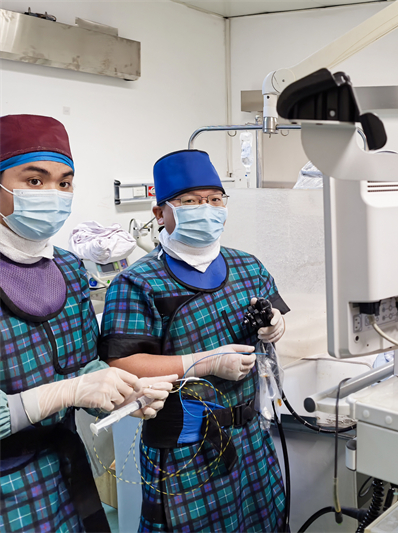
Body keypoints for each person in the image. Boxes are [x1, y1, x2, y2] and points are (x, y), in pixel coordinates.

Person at [0, 114, 177, 532]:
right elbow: (72, 386)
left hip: (63, 473)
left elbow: (85, 365)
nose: (53, 194)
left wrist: (124, 392)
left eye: (64, 183)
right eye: (34, 180)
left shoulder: (65, 267)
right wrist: (65, 392)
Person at [99, 149, 290, 532]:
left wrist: (275, 326)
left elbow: (274, 312)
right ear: (161, 213)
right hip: (184, 448)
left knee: (264, 522)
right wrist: (205, 363)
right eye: (190, 202)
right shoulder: (137, 282)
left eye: (215, 199)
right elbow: (123, 365)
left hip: (250, 436)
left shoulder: (248, 266)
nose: (207, 209)